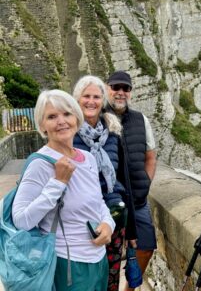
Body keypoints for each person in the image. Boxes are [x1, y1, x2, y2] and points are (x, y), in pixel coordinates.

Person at [12, 89, 115, 291]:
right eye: (52, 116)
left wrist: (108, 223)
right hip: (66, 264)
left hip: (98, 259)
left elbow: (98, 202)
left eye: (67, 114)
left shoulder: (88, 158)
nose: (61, 121)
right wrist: (57, 183)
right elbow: (21, 220)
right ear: (42, 125)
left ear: (77, 118)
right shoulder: (40, 164)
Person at [72, 75, 137, 291]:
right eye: (86, 96)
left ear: (103, 101)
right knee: (84, 278)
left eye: (96, 97)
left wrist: (132, 231)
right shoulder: (67, 133)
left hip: (114, 215)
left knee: (111, 276)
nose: (91, 101)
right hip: (81, 219)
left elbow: (123, 180)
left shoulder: (112, 134)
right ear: (77, 99)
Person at [105, 70, 157, 290]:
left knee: (146, 246)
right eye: (116, 87)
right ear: (108, 89)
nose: (120, 92)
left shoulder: (140, 119)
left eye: (125, 88)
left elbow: (151, 156)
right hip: (110, 203)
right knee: (108, 256)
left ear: (130, 92)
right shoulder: (98, 118)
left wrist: (145, 182)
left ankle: (130, 288)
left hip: (138, 201)